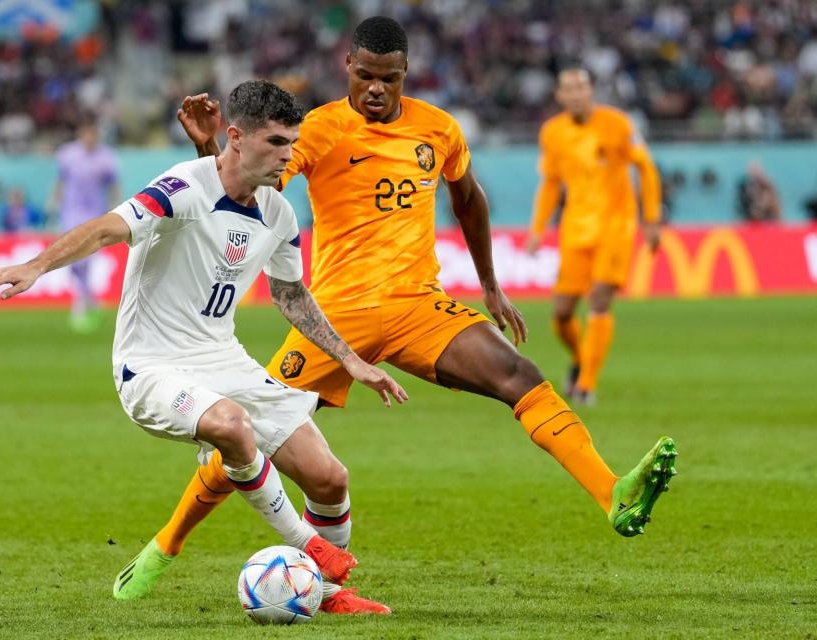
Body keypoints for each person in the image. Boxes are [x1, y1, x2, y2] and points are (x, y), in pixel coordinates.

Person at [147, 16, 679, 613]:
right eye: (367, 75)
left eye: (390, 78)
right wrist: (207, 148)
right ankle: (164, 545)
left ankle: (614, 493)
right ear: (348, 67)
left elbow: (469, 198)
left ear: (406, 75)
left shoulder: (438, 129)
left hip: (418, 306)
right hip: (337, 317)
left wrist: (490, 285)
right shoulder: (317, 130)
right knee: (252, 433)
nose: (377, 88)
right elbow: (241, 180)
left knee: (521, 379)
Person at [0, 79, 408, 605]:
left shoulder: (279, 215)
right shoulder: (181, 187)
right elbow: (110, 227)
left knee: (330, 477)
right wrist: (37, 265)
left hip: (223, 359)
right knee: (231, 425)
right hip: (151, 366)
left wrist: (350, 360)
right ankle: (310, 547)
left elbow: (290, 296)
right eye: (275, 143)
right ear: (237, 137)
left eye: (292, 143)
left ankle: (330, 593)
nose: (287, 156)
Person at [526, 68, 662, 405]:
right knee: (561, 312)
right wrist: (538, 228)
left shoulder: (618, 124)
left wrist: (652, 218)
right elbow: (550, 183)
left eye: (582, 87)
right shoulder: (552, 132)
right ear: (559, 96)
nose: (576, 94)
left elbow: (646, 168)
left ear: (591, 91)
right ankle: (580, 358)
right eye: (569, 88)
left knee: (600, 298)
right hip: (575, 228)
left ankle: (586, 385)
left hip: (616, 225)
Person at [50, 113, 120, 332]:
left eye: (93, 134)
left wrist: (115, 209)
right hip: (70, 212)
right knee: (71, 259)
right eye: (86, 133)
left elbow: (113, 186)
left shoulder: (106, 158)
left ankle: (81, 303)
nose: (90, 138)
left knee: (86, 259)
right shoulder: (67, 155)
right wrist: (53, 203)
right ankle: (90, 299)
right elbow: (61, 181)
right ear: (81, 134)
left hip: (93, 214)